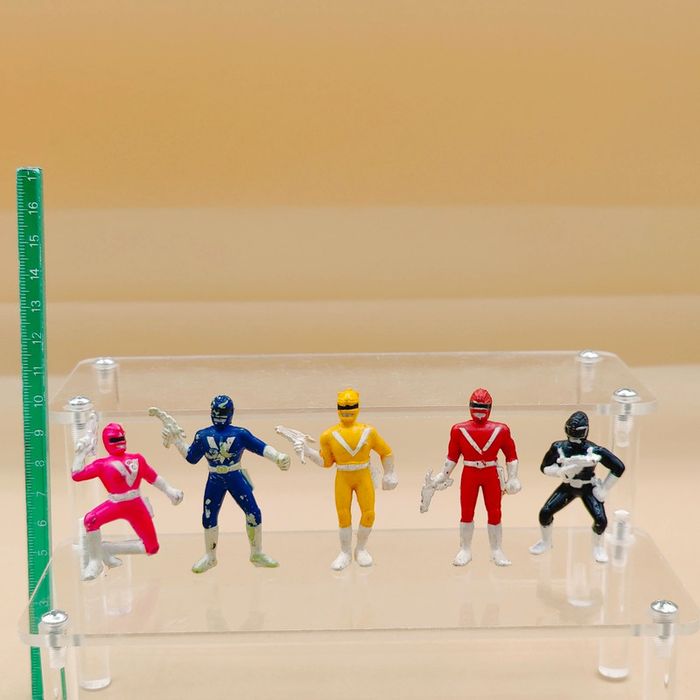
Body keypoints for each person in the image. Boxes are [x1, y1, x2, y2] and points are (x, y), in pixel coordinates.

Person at [151, 395, 290, 573]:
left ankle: (256, 553)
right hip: (216, 478)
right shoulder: (204, 435)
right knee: (209, 515)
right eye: (216, 411)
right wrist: (177, 440)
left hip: (234, 476)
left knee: (253, 512)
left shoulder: (238, 434)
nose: (218, 415)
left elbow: (260, 446)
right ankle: (210, 556)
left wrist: (277, 457)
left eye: (221, 412)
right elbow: (192, 457)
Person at [276, 388, 398, 570]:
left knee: (369, 513)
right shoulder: (328, 435)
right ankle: (345, 552)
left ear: (358, 407)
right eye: (343, 407)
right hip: (343, 477)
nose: (347, 410)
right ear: (338, 408)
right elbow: (326, 462)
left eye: (351, 406)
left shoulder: (368, 432)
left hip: (363, 475)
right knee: (343, 515)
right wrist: (307, 451)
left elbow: (386, 452)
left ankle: (361, 549)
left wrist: (389, 472)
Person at [72, 422, 183, 581]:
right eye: (114, 439)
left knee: (152, 547)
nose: (119, 442)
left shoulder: (137, 459)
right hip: (116, 503)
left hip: (135, 504)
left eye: (121, 438)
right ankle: (95, 562)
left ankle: (106, 548)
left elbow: (153, 477)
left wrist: (170, 490)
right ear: (107, 442)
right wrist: (80, 454)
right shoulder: (101, 464)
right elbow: (77, 475)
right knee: (91, 520)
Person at [422, 388, 521, 566]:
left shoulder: (501, 430)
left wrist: (513, 477)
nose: (479, 410)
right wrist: (442, 476)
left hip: (491, 473)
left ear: (490, 407)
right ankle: (465, 549)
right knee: (466, 511)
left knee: (495, 512)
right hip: (470, 473)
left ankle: (496, 550)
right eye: (476, 406)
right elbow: (452, 457)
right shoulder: (458, 430)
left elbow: (511, 455)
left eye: (483, 407)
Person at [529, 410, 625, 563]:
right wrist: (560, 472)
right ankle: (546, 542)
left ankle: (598, 547)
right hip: (568, 486)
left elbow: (618, 467)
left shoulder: (594, 450)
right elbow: (544, 467)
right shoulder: (559, 447)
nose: (573, 437)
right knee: (545, 513)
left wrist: (604, 488)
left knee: (601, 520)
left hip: (588, 487)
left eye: (577, 433)